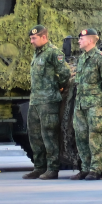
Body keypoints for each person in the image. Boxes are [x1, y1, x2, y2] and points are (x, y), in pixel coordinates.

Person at [24, 26, 70, 180]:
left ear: (44, 37)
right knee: (34, 136)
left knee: (49, 135)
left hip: (48, 101)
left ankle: (52, 168)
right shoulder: (37, 54)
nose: (31, 41)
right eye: (31, 38)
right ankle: (39, 167)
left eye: (34, 38)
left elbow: (65, 73)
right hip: (35, 101)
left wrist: (57, 88)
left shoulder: (53, 53)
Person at [70, 28, 102, 181]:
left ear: (90, 40)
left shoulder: (101, 58)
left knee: (94, 137)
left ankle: (95, 169)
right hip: (81, 105)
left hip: (95, 105)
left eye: (82, 38)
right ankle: (85, 168)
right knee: (81, 137)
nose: (79, 40)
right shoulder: (81, 59)